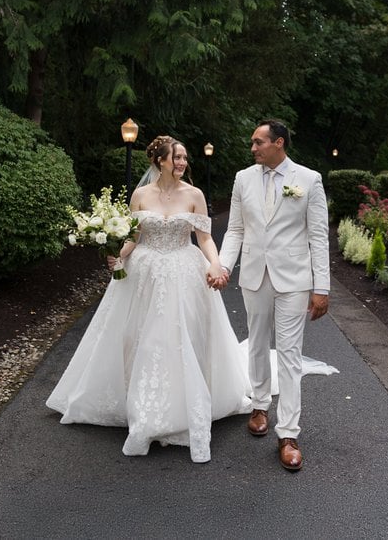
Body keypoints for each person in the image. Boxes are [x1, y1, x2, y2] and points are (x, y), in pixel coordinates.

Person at [47, 136, 252, 463]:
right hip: (144, 271)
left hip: (185, 268)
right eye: (177, 157)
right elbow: (133, 235)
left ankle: (185, 402)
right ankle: (140, 402)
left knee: (185, 336)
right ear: (159, 161)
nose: (183, 163)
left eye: (185, 158)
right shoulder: (140, 195)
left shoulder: (194, 195)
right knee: (138, 336)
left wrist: (214, 263)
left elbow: (205, 238)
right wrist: (119, 256)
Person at [213, 119, 330, 472]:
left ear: (279, 143)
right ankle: (260, 405)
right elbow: (235, 229)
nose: (252, 148)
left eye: (258, 142)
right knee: (258, 343)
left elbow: (318, 236)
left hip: (294, 279)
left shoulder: (309, 180)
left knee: (291, 355)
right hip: (253, 275)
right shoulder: (242, 179)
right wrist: (222, 266)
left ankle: (289, 434)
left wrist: (321, 287)